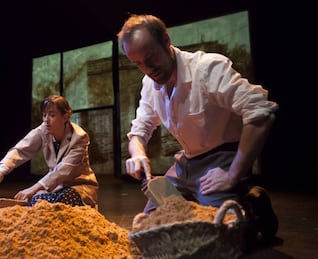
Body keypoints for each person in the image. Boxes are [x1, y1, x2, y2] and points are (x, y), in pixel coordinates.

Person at [117, 14, 279, 243]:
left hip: (221, 158)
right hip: (186, 162)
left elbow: (261, 110)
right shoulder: (149, 84)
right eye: (138, 63)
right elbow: (139, 130)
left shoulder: (207, 69)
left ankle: (252, 205)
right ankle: (199, 202)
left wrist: (233, 173)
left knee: (221, 234)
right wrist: (138, 153)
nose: (147, 69)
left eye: (150, 57)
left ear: (165, 40)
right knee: (154, 226)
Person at [0, 95, 99, 208]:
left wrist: (33, 188)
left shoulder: (79, 138)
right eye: (44, 115)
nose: (46, 120)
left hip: (79, 186)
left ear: (65, 116)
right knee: (36, 201)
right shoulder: (43, 130)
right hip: (56, 187)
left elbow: (62, 171)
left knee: (59, 202)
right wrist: (0, 172)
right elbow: (21, 150)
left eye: (52, 115)